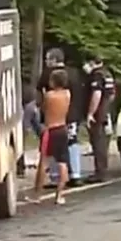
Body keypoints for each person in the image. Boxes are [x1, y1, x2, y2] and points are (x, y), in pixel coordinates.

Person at [37, 48, 85, 184]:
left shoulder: (48, 74)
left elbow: (40, 93)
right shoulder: (74, 73)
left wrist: (42, 110)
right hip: (72, 114)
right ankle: (75, 174)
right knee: (72, 142)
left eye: (47, 59)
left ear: (54, 60)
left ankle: (55, 176)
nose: (46, 62)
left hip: (54, 118)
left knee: (52, 148)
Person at [29, 69, 70, 205]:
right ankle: (60, 195)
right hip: (63, 128)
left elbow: (44, 109)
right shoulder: (67, 94)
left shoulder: (50, 96)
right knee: (62, 162)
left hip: (50, 129)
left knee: (44, 162)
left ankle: (37, 194)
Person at [84, 54, 116, 182]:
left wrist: (91, 113)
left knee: (98, 142)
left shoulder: (96, 75)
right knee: (104, 142)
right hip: (107, 112)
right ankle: (103, 170)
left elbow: (96, 94)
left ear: (92, 62)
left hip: (99, 114)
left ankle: (100, 173)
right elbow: (113, 93)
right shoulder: (107, 74)